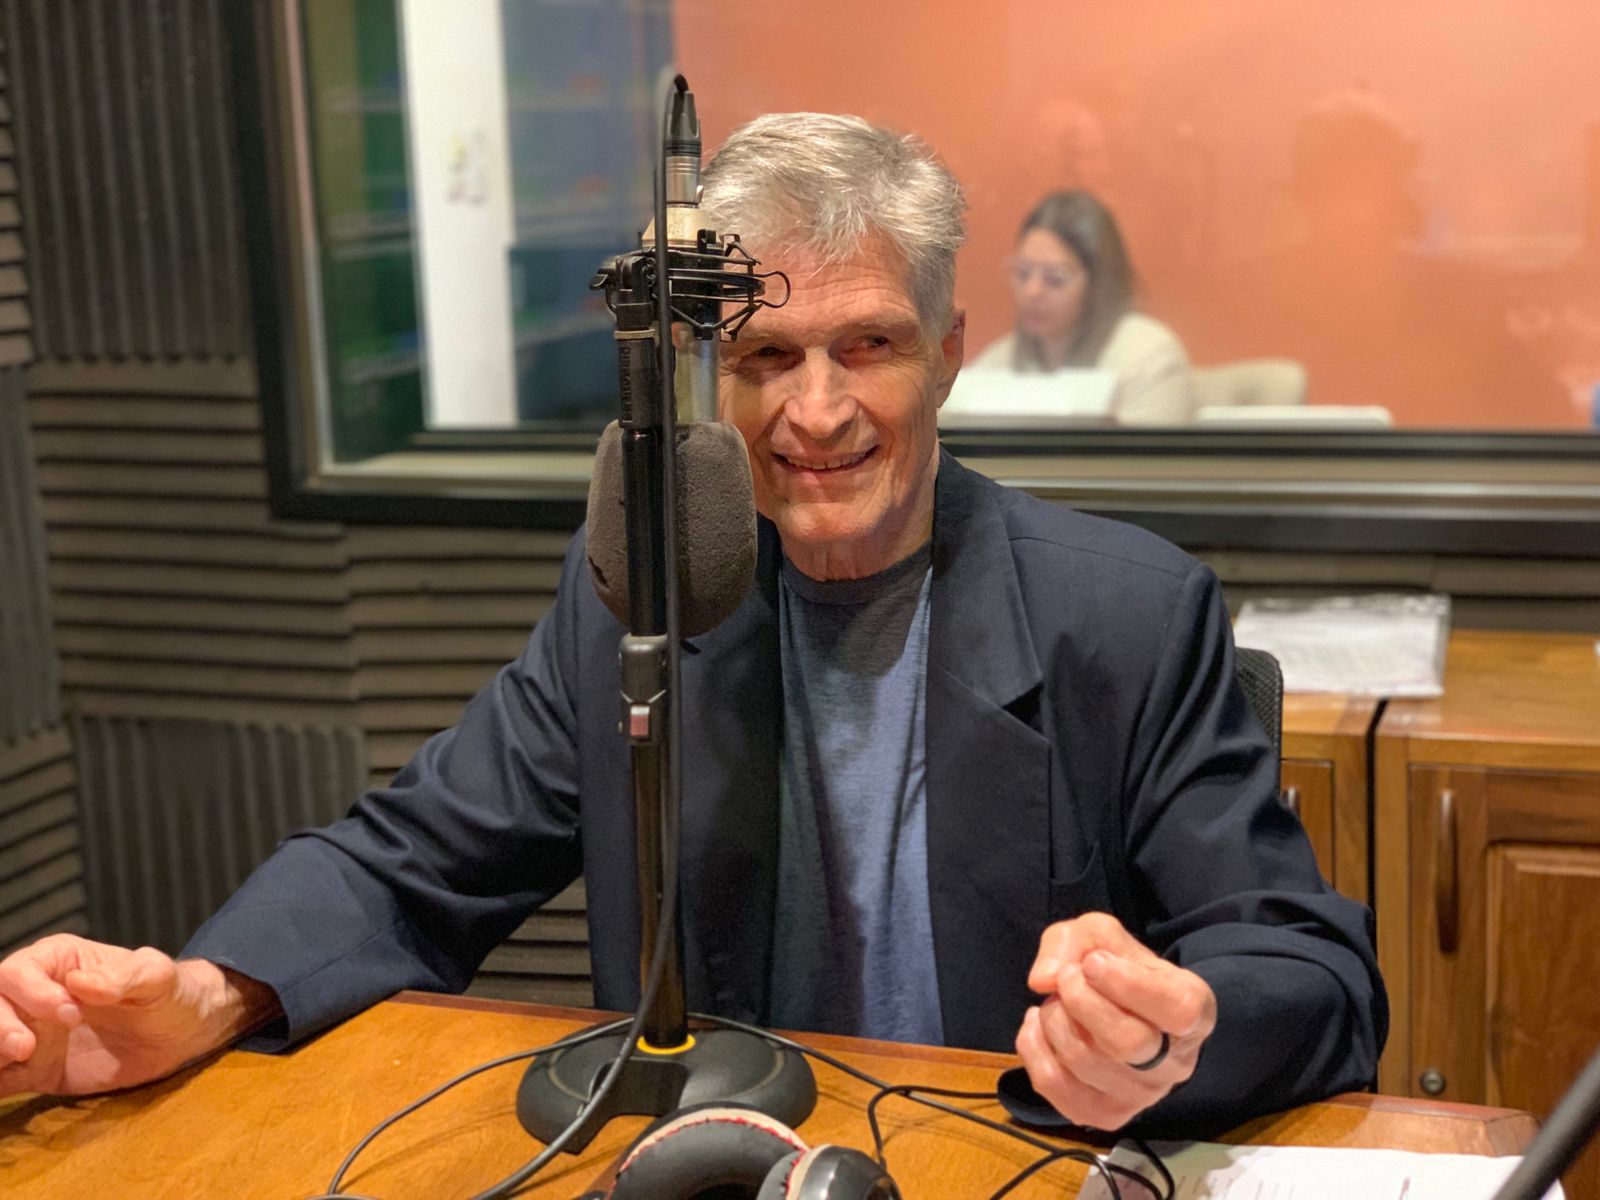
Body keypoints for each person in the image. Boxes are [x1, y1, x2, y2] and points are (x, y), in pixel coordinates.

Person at [0, 113, 1383, 1138]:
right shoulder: (640, 594)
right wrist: (207, 992)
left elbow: (1308, 967)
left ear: (950, 353)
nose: (815, 413)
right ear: (714, 374)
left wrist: (1179, 1034)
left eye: (868, 345)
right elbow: (410, 864)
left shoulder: (1125, 614)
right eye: (767, 356)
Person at [973, 190, 1195, 424]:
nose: (1032, 292)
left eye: (1055, 279)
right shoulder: (998, 361)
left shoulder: (1148, 358)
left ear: (1098, 284)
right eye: (1022, 273)